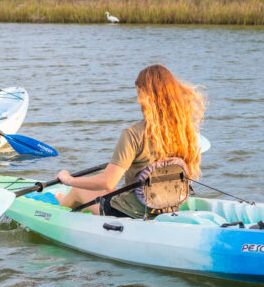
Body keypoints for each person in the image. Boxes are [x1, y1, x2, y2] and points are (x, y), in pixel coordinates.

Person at [55, 64, 205, 218]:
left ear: (145, 97)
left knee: (78, 190)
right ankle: (68, 201)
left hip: (130, 213)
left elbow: (107, 181)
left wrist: (68, 179)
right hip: (168, 207)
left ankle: (59, 209)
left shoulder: (132, 134)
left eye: (139, 93)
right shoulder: (185, 133)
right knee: (111, 191)